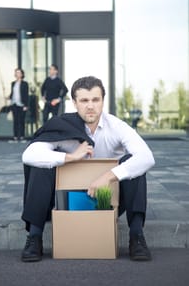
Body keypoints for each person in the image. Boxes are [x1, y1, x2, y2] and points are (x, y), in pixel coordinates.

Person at [21, 76, 155, 262]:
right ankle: (34, 237)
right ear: (75, 103)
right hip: (67, 196)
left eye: (95, 100)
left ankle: (136, 236)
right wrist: (70, 157)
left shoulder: (116, 126)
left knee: (134, 163)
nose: (90, 106)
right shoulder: (63, 126)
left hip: (106, 197)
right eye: (84, 100)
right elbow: (29, 155)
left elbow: (147, 157)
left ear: (102, 101)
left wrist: (107, 177)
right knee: (41, 164)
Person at [9, 68, 29, 143]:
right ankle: (15, 137)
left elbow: (26, 95)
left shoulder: (25, 84)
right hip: (14, 104)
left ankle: (22, 137)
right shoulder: (13, 83)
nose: (17, 74)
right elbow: (12, 93)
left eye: (19, 73)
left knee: (21, 121)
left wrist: (26, 105)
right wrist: (9, 97)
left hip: (22, 105)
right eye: (16, 72)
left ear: (22, 74)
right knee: (15, 121)